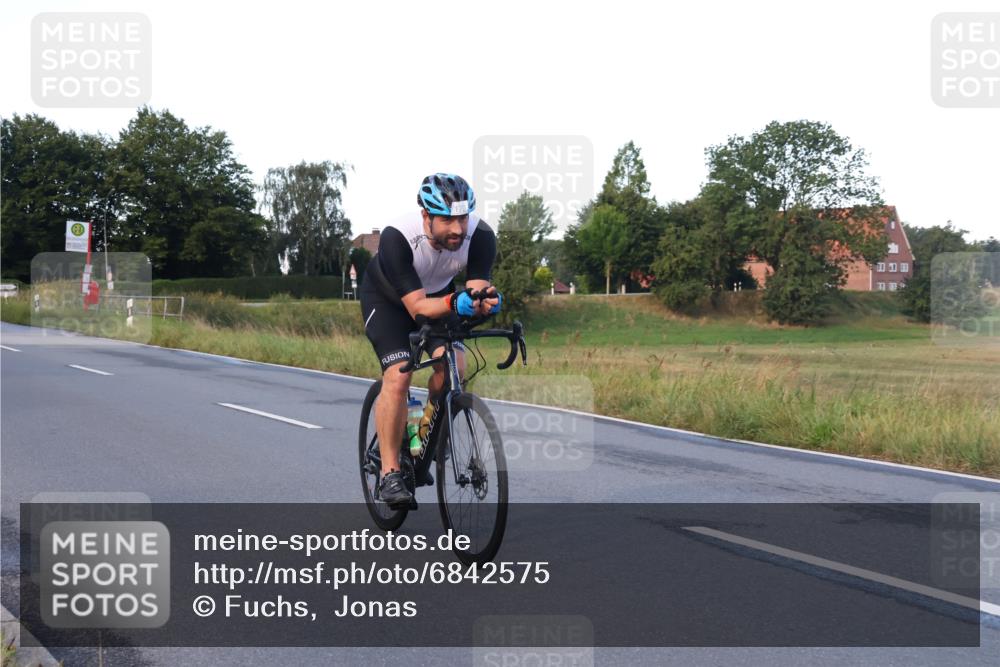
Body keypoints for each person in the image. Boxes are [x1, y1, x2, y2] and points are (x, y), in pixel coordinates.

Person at [359, 173, 502, 507]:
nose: (457, 230)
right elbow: (417, 308)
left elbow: (475, 292)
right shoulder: (397, 237)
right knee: (399, 374)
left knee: (456, 366)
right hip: (388, 302)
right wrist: (455, 302)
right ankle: (390, 472)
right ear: (426, 215)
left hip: (437, 298)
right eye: (447, 220)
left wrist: (486, 302)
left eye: (462, 219)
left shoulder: (481, 236)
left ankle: (427, 433)